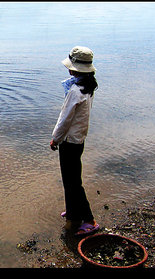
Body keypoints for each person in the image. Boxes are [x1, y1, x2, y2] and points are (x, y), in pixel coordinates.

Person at [50, 46, 99, 236]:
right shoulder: (88, 87)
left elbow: (65, 119)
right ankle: (72, 213)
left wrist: (55, 139)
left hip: (69, 142)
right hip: (79, 140)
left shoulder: (75, 92)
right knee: (72, 180)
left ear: (75, 69)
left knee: (72, 183)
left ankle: (88, 221)